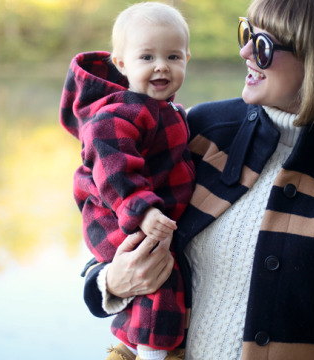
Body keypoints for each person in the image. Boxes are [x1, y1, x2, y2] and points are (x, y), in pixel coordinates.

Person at [80, 0, 314, 359]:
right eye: (247, 33)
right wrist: (112, 283)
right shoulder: (201, 130)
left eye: (264, 46)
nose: (245, 51)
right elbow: (108, 219)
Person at [59, 2, 195, 360]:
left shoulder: (170, 112)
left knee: (161, 269)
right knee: (160, 273)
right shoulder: (118, 113)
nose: (161, 65)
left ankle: (133, 345)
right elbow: (114, 169)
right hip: (114, 214)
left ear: (187, 59)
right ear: (121, 64)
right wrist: (143, 210)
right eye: (147, 57)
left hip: (133, 213)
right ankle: (149, 355)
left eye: (173, 56)